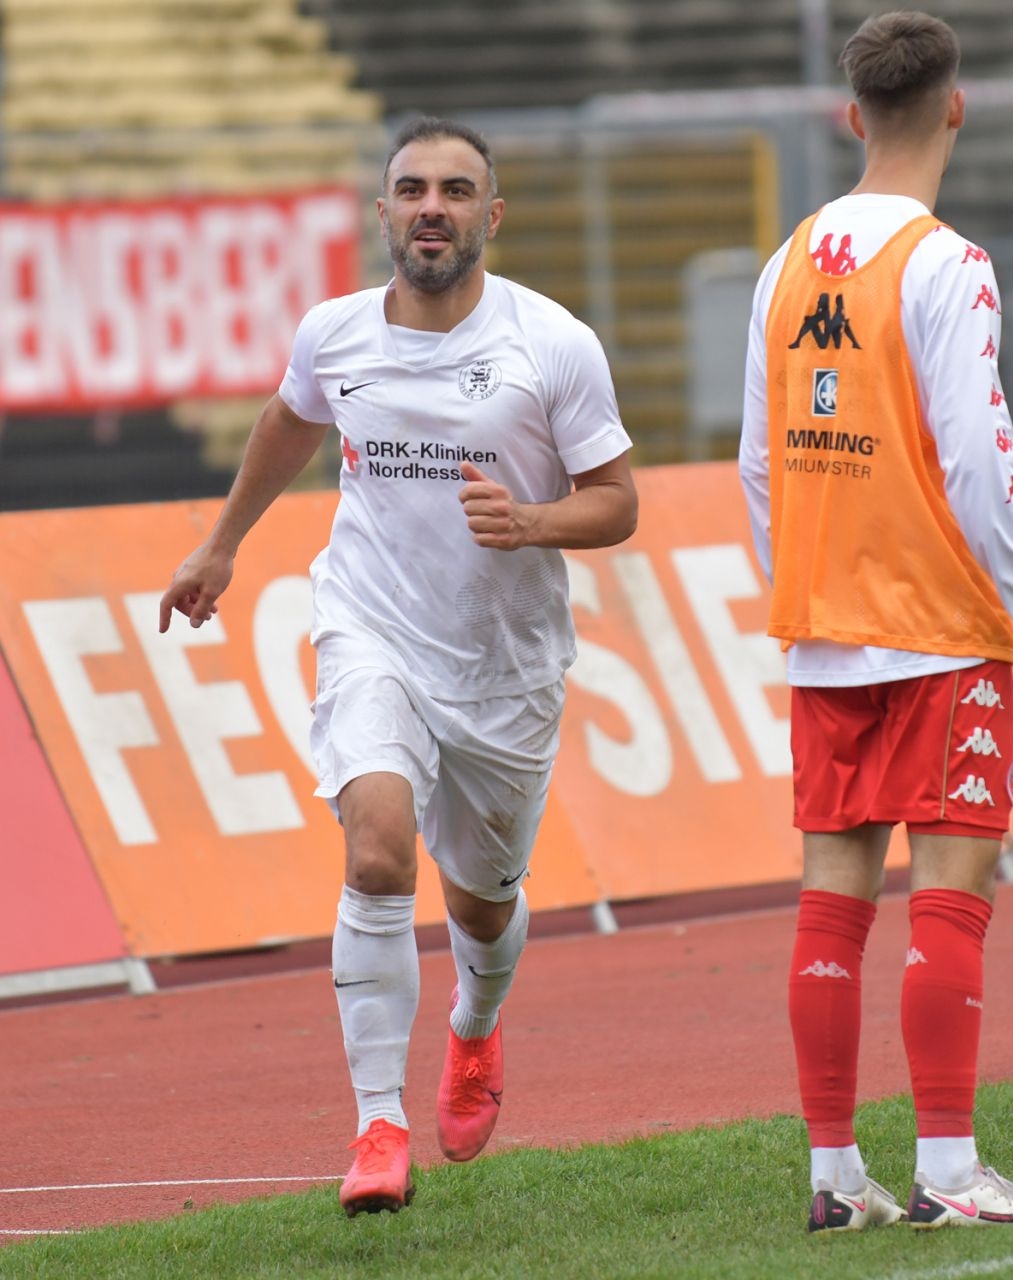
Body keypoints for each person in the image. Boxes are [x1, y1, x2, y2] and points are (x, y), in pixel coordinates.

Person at [158, 117, 637, 1214]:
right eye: (412, 188)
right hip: (370, 626)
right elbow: (290, 421)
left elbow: (618, 503)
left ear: (490, 216)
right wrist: (221, 545)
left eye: (456, 191)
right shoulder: (334, 333)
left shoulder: (552, 343)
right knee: (377, 851)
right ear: (382, 212)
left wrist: (532, 521)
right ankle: (378, 1125)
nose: (432, 206)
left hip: (503, 667)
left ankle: (475, 1024)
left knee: (482, 907)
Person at [739, 11, 1013, 1233]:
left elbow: (758, 462)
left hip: (824, 632)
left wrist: (805, 588)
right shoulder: (949, 264)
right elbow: (981, 461)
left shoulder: (785, 264)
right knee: (952, 888)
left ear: (851, 117)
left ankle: (837, 1174)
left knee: (831, 901)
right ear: (956, 107)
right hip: (939, 627)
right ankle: (948, 1164)